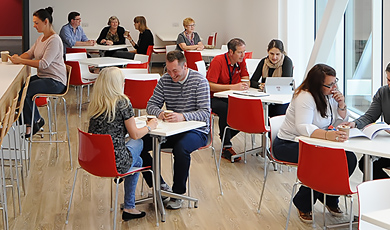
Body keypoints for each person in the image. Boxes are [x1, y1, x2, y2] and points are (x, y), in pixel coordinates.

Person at [273, 64, 357, 223]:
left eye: (335, 83)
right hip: (289, 144)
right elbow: (302, 126)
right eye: (330, 84)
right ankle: (303, 201)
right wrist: (327, 135)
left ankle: (330, 197)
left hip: (315, 142)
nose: (334, 87)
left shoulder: (329, 95)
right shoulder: (305, 96)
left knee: (350, 158)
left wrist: (341, 105)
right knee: (326, 160)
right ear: (317, 84)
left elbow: (339, 122)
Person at [140, 50, 210, 210]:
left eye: (175, 71)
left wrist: (183, 116)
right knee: (138, 144)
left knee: (181, 149)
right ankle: (160, 185)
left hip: (197, 131)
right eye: (169, 71)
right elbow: (150, 105)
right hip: (171, 130)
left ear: (185, 66)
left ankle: (178, 193)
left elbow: (205, 114)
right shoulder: (165, 80)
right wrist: (161, 113)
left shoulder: (200, 81)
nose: (172, 75)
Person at [87, 67, 158, 221]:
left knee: (137, 158)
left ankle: (131, 204)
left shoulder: (96, 104)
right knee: (138, 143)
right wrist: (151, 125)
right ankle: (130, 205)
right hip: (115, 161)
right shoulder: (122, 102)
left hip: (94, 160)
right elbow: (135, 134)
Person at [9, 7, 67, 138]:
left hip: (55, 81)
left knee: (27, 91)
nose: (34, 25)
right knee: (21, 88)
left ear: (45, 21)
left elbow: (43, 63)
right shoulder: (41, 38)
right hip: (45, 77)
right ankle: (30, 121)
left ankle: (36, 120)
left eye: (36, 23)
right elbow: (30, 53)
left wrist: (20, 61)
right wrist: (17, 58)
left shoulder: (54, 40)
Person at [341, 63, 390, 179]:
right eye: (388, 80)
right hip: (387, 147)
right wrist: (354, 123)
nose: (389, 84)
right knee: (366, 163)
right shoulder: (383, 93)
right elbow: (369, 117)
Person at [206, 38, 249, 162]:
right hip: (214, 98)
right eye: (240, 52)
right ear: (231, 52)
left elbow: (246, 78)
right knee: (226, 109)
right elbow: (210, 85)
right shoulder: (218, 61)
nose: (243, 55)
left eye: (244, 52)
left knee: (247, 110)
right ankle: (226, 145)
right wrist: (233, 87)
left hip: (232, 96)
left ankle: (225, 135)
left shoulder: (241, 61)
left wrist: (244, 84)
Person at [250, 39, 294, 117]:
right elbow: (253, 81)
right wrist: (260, 85)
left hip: (280, 99)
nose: (274, 57)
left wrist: (268, 85)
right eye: (271, 54)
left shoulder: (287, 62)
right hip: (265, 98)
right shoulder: (264, 62)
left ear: (282, 53)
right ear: (267, 52)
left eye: (277, 54)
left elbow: (285, 84)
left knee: (278, 111)